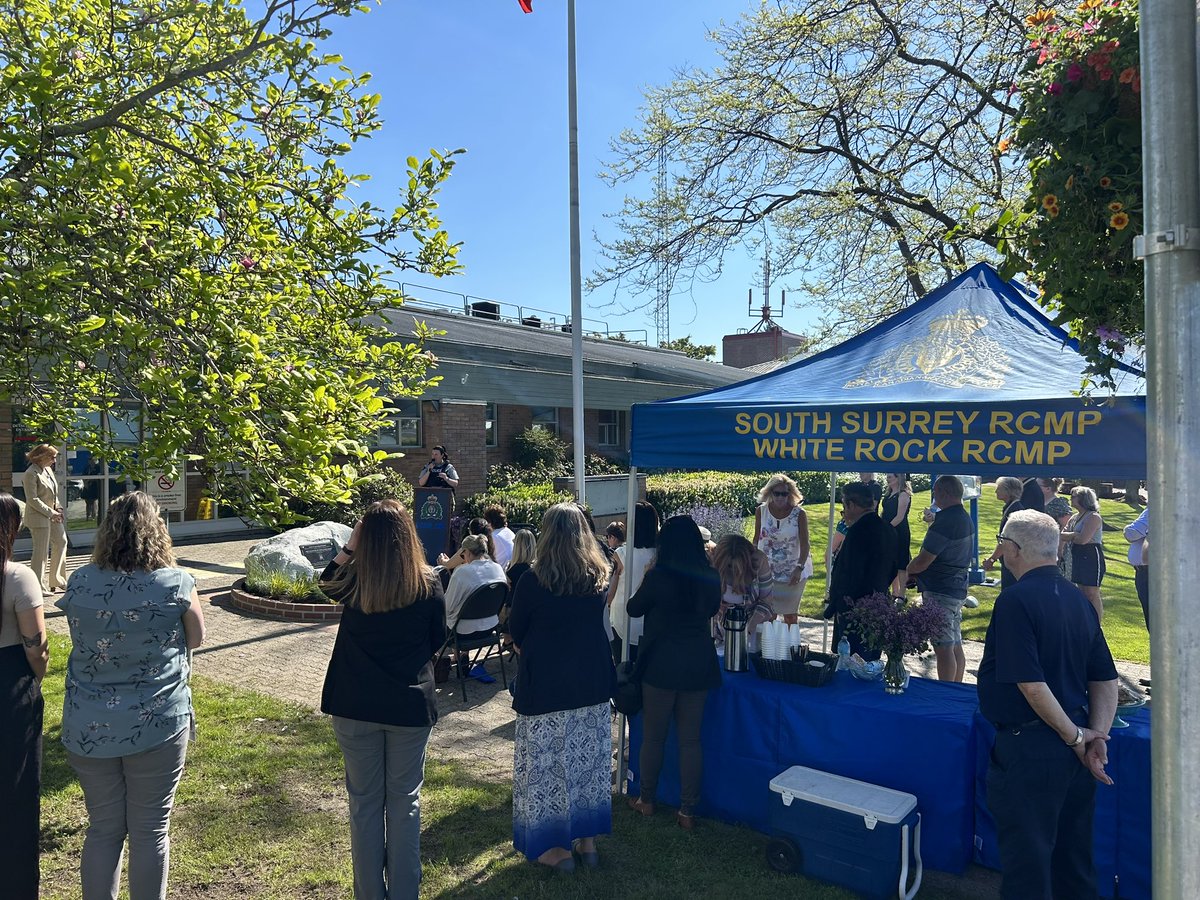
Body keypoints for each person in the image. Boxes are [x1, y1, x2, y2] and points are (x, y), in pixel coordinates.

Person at [57, 491, 206, 900]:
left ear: (107, 531)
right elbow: (197, 637)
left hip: (88, 723)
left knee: (103, 828)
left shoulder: (81, 581)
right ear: (157, 531)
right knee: (150, 829)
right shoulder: (176, 582)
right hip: (157, 722)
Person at [977, 509, 1118, 900]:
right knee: (1074, 864)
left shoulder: (1015, 600)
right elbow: (1105, 679)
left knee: (1029, 869)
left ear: (1013, 548)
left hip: (1035, 749)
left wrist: (1080, 737)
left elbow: (1031, 685)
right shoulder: (1079, 599)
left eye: (1002, 543)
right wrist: (1095, 737)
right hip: (1073, 751)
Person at [319, 500, 446, 900]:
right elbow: (436, 640)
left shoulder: (354, 581)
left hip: (355, 705)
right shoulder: (428, 582)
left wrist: (351, 545)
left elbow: (325, 582)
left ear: (364, 538)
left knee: (365, 805)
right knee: (404, 802)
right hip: (408, 705)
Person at [509, 503, 614, 872]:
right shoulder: (598, 576)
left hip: (548, 685)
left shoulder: (532, 582)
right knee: (588, 763)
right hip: (592, 681)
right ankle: (588, 843)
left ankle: (556, 849)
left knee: (548, 767)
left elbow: (516, 631)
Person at [627, 516, 722, 830]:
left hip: (661, 664)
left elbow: (633, 608)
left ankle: (647, 800)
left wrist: (646, 578)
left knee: (653, 738)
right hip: (697, 661)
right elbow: (710, 611)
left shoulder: (658, 577)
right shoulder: (710, 575)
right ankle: (687, 810)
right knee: (690, 741)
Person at [1, 492, 49, 900]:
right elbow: (36, 646)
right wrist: (38, 678)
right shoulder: (17, 576)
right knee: (15, 795)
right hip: (9, 685)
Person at [907, 475, 974, 682]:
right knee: (954, 644)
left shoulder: (946, 521)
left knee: (943, 647)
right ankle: (956, 687)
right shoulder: (962, 516)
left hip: (941, 590)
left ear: (944, 493)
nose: (933, 496)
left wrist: (908, 570)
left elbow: (923, 561)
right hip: (956, 588)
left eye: (935, 491)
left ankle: (946, 691)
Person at [826, 482, 896, 661]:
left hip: (855, 609)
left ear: (851, 504)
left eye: (844, 507)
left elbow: (848, 572)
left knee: (852, 663)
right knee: (871, 662)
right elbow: (894, 567)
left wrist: (837, 602)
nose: (845, 512)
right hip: (879, 603)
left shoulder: (857, 531)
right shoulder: (888, 529)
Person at [443, 534, 507, 680]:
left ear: (467, 552)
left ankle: (449, 659)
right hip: (490, 628)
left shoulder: (463, 572)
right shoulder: (497, 568)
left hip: (463, 632)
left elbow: (448, 606)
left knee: (444, 615)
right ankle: (461, 657)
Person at [754, 474, 812, 625]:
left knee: (790, 615)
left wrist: (799, 567)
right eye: (776, 493)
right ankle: (770, 647)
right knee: (769, 614)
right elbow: (756, 538)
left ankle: (789, 646)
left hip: (793, 572)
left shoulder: (799, 514)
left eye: (784, 494)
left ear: (790, 494)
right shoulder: (761, 511)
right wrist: (752, 561)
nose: (780, 497)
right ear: (770, 493)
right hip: (767, 571)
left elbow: (805, 544)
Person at [607, 500, 659, 664]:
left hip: (623, 622)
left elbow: (610, 594)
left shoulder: (620, 554)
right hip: (651, 623)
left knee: (623, 672)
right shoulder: (660, 555)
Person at [710, 533, 774, 647]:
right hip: (717, 630)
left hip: (750, 627)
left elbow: (766, 601)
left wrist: (747, 629)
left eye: (736, 566)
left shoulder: (759, 561)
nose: (732, 570)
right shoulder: (712, 559)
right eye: (729, 566)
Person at [21, 443, 68, 593]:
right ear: (42, 457)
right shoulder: (30, 473)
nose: (54, 460)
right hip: (38, 517)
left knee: (61, 541)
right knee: (41, 552)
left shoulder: (47, 469)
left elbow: (53, 493)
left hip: (52, 514)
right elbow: (32, 499)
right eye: (52, 457)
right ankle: (37, 586)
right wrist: (51, 513)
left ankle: (57, 579)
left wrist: (58, 507)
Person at [1061, 486, 1105, 621]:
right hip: (1076, 555)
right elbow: (1061, 535)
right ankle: (1085, 621)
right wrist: (1074, 534)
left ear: (1083, 499)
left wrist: (1073, 535)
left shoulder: (1093, 517)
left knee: (1092, 592)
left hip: (1091, 556)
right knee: (1081, 591)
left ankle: (1096, 624)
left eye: (1073, 496)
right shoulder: (1074, 517)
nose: (1070, 498)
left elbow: (1083, 540)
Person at [982, 477, 1025, 590]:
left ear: (1008, 491)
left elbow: (1006, 540)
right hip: (1010, 560)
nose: (995, 491)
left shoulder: (1014, 511)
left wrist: (992, 559)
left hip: (1013, 561)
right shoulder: (1011, 508)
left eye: (999, 488)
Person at [501, 529, 537, 648]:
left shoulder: (513, 569)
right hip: (533, 614)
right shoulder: (537, 569)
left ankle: (508, 640)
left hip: (513, 616)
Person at [881, 473, 913, 595]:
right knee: (889, 561)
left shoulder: (903, 494)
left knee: (901, 563)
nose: (887, 479)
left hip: (899, 531)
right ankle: (893, 591)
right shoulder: (889, 494)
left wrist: (887, 528)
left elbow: (900, 517)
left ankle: (901, 594)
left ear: (898, 478)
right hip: (887, 530)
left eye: (890, 477)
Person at [1124, 505, 1149, 630]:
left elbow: (1131, 534)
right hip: (1144, 572)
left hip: (1150, 573)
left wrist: (1127, 527)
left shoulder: (1154, 510)